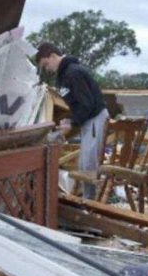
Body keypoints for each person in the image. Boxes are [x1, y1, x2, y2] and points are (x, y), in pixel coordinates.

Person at [35, 42, 109, 199]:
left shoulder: (73, 73)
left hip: (94, 118)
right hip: (88, 120)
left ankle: (91, 204)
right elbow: (77, 104)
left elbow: (86, 103)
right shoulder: (64, 76)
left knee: (89, 164)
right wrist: (69, 120)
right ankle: (88, 200)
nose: (47, 69)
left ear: (53, 56)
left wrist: (72, 123)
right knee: (84, 163)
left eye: (46, 64)